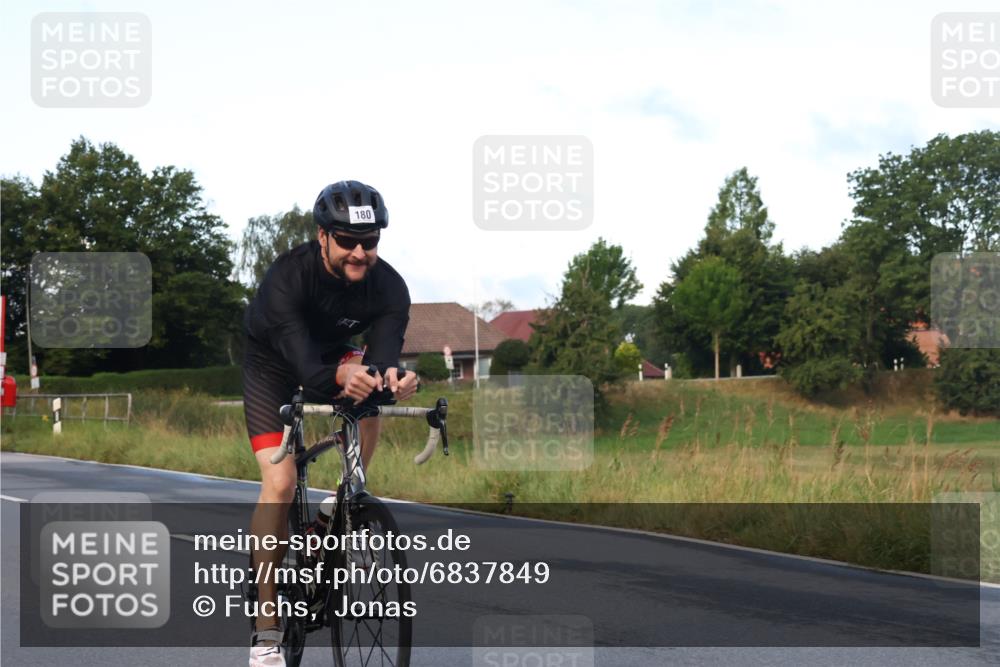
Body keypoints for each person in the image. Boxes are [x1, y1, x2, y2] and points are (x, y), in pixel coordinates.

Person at [241, 180, 418, 666]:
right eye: (347, 241)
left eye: (371, 241)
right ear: (322, 236)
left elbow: (382, 361)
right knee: (279, 480)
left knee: (369, 401)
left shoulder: (390, 286)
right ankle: (267, 628)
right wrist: (341, 374)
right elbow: (303, 366)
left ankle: (337, 506)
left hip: (333, 356)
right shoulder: (287, 278)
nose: (361, 252)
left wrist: (395, 381)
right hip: (274, 363)